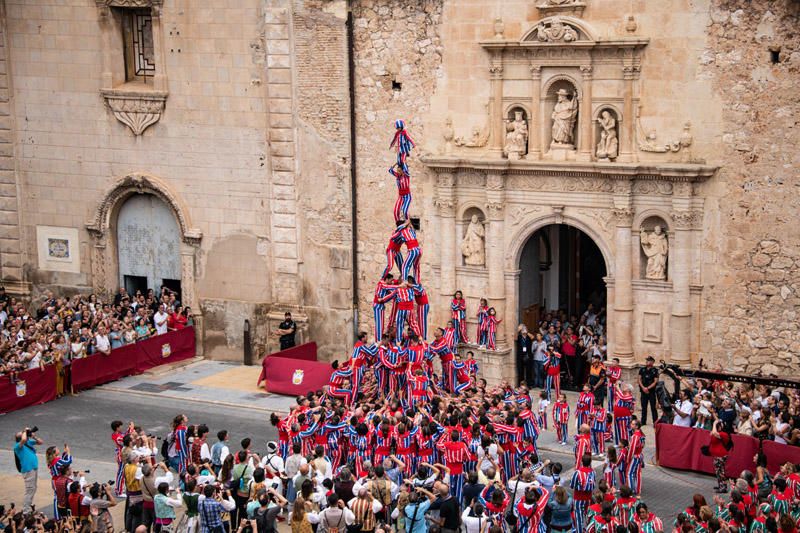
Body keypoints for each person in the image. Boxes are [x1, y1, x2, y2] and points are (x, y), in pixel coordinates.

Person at [14, 427, 42, 513]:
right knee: (29, 489)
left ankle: (29, 507)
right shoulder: (17, 446)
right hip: (28, 470)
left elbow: (40, 442)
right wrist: (25, 431)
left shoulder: (28, 442)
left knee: (33, 488)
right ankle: (26, 511)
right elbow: (23, 439)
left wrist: (33, 436)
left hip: (33, 469)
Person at [708, 419, 732, 493]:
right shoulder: (719, 433)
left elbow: (714, 433)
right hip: (717, 455)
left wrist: (714, 424)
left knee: (720, 471)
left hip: (720, 455)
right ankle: (720, 485)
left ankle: (723, 487)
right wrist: (716, 423)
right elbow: (711, 433)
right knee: (718, 471)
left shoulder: (724, 434)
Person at [637, 356, 659, 426]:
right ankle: (643, 421)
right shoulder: (642, 369)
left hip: (651, 392)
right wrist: (643, 388)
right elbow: (639, 379)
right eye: (646, 360)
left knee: (653, 408)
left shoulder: (655, 370)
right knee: (644, 407)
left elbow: (655, 381)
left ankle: (655, 422)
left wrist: (648, 388)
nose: (647, 361)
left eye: (649, 360)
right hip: (643, 391)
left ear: (652, 362)